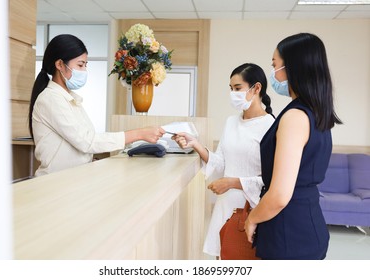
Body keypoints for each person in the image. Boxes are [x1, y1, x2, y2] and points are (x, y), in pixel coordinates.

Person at [245, 33, 343, 260]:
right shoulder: (316, 112)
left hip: (289, 232)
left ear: (293, 68)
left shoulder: (295, 117)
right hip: (307, 224)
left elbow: (279, 195)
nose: (274, 74)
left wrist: (253, 218)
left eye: (275, 65)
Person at [173, 63, 275, 258]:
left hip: (251, 210)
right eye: (231, 89)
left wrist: (232, 183)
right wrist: (195, 144)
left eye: (238, 89)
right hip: (225, 204)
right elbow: (221, 162)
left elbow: (272, 180)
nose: (232, 94)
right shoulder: (231, 122)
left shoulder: (270, 126)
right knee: (224, 255)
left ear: (257, 88)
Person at [29, 34, 165, 176]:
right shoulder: (50, 99)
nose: (84, 71)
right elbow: (87, 141)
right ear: (60, 65)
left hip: (73, 180)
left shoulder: (69, 99)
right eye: (80, 65)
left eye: (85, 65)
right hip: (56, 183)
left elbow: (83, 142)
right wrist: (139, 134)